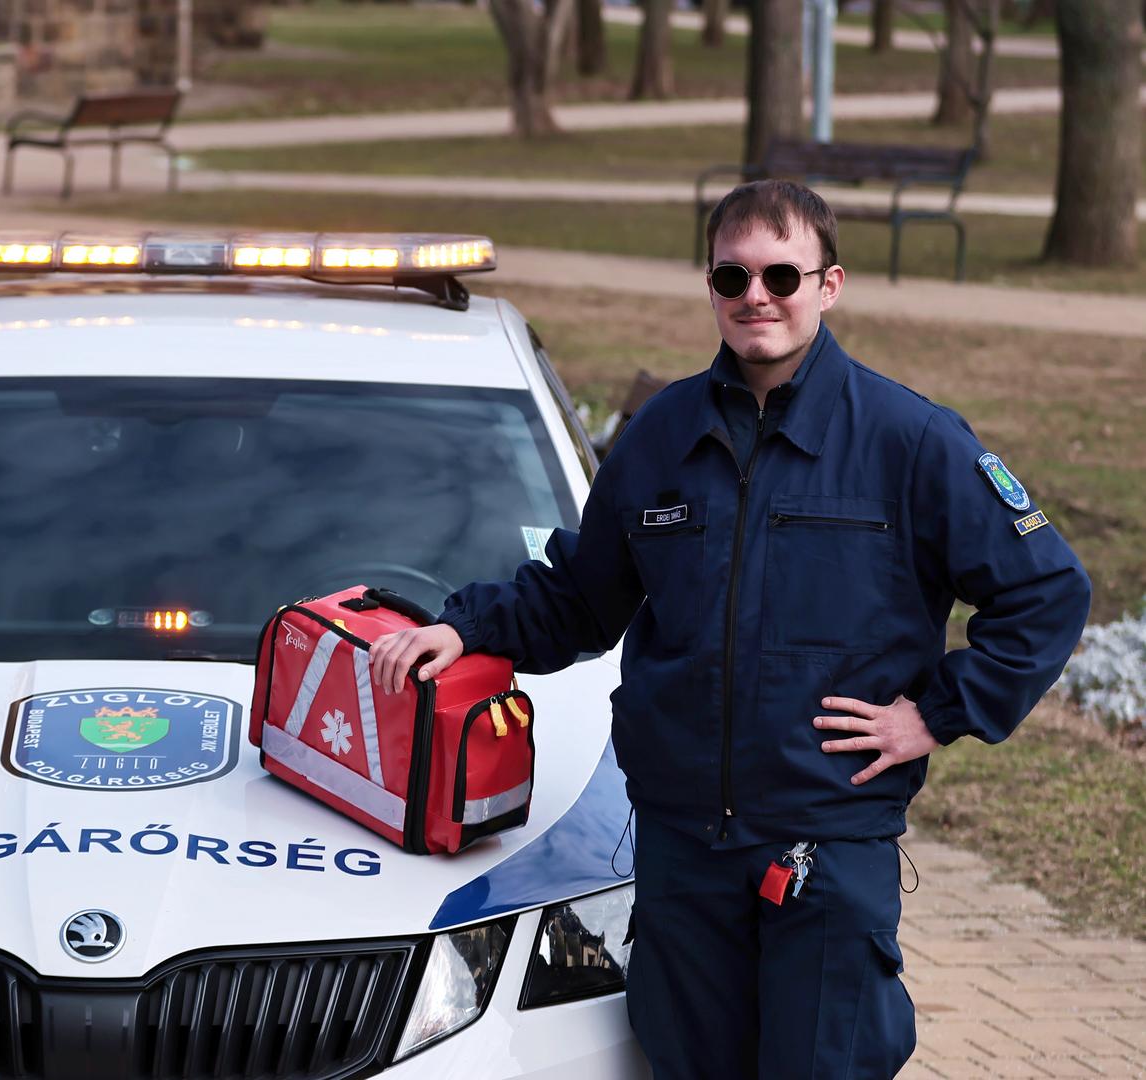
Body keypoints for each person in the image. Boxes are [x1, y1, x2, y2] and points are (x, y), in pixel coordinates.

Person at [371, 179, 1091, 1079]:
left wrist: (934, 715)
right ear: (710, 286)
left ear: (829, 286)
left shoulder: (910, 440)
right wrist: (468, 630)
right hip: (682, 852)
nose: (757, 296)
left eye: (782, 276)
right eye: (732, 276)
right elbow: (581, 599)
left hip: (825, 844)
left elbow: (1047, 591)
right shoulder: (661, 436)